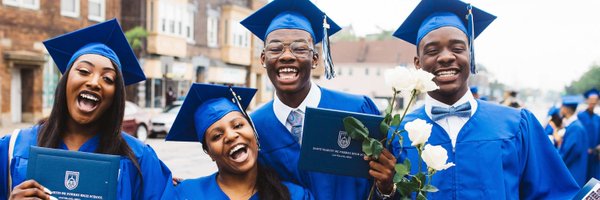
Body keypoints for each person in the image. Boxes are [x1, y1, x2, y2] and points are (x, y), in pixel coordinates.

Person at [390, 0, 579, 198]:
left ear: (470, 55)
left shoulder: (515, 125)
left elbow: (553, 194)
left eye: (457, 48)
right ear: (418, 63)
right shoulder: (398, 135)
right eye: (432, 50)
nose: (446, 57)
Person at [0, 19, 173, 199]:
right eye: (83, 71)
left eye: (107, 79)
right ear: (65, 81)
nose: (93, 82)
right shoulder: (12, 147)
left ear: (116, 96)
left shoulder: (139, 159)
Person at [240, 0, 397, 199]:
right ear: (263, 59)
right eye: (275, 49)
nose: (286, 56)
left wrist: (387, 188)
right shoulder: (255, 128)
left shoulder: (357, 110)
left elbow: (388, 186)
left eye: (299, 48)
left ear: (315, 59)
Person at [164, 83, 312, 200]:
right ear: (209, 152)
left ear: (254, 133)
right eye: (216, 136)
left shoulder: (294, 196)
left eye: (238, 125)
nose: (231, 136)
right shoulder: (186, 194)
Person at [554, 96, 589, 186]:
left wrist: (554, 161)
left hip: (573, 171)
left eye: (562, 107)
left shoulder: (575, 128)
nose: (560, 109)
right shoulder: (575, 125)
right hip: (575, 169)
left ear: (566, 109)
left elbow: (568, 151)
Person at [577, 88, 600, 180]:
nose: (593, 102)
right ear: (587, 100)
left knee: (594, 178)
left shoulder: (597, 118)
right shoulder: (580, 116)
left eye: (595, 100)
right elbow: (578, 135)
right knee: (582, 177)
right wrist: (585, 148)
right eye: (591, 100)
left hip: (595, 154)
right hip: (584, 153)